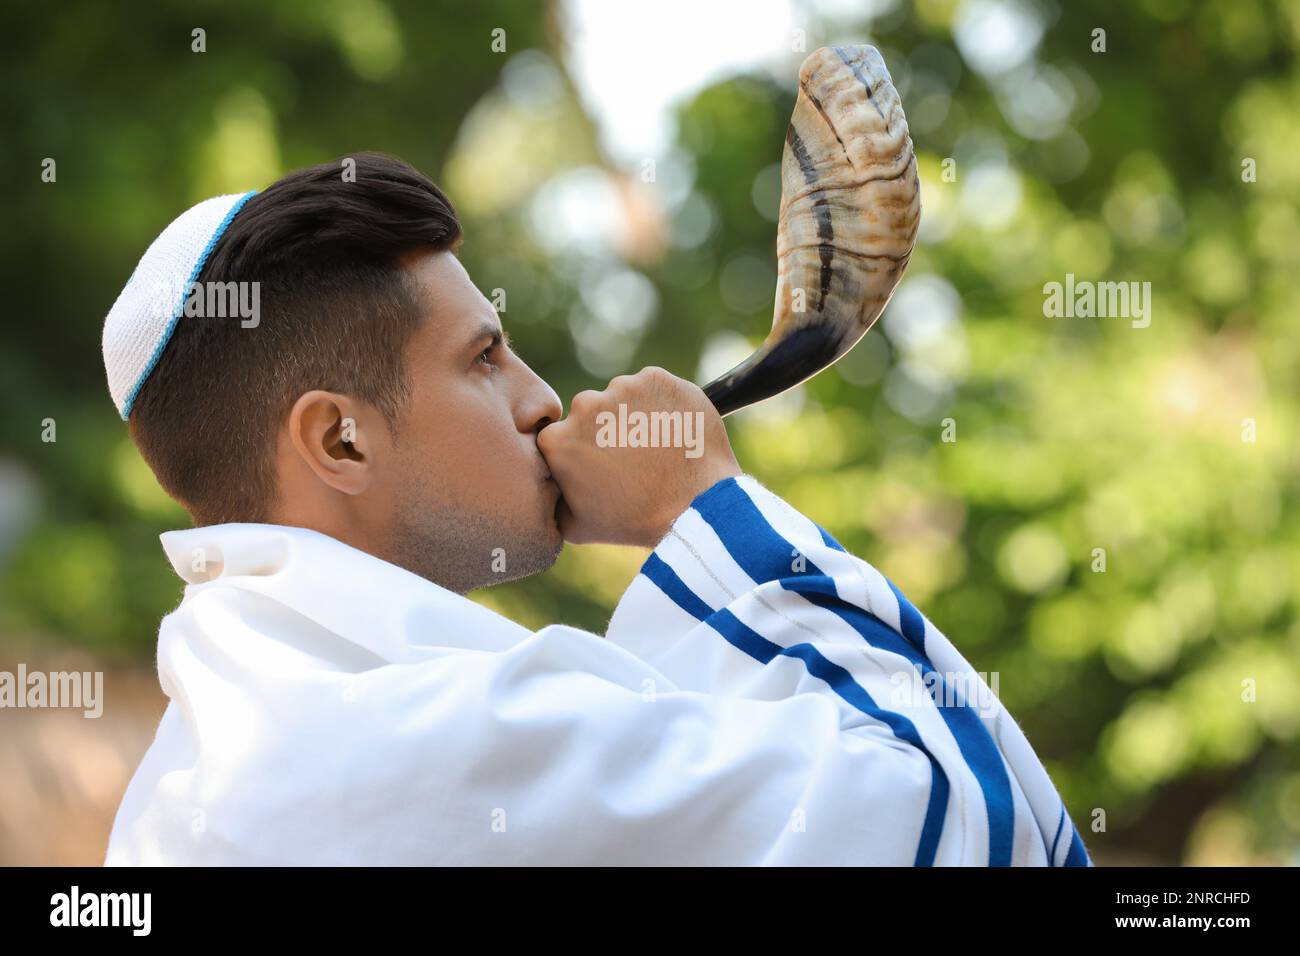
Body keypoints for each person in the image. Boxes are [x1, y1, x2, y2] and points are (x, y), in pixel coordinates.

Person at [100, 152, 1090, 866]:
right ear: (340, 440)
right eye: (483, 357)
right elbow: (965, 819)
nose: (543, 399)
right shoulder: (446, 736)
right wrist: (706, 510)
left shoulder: (192, 776)